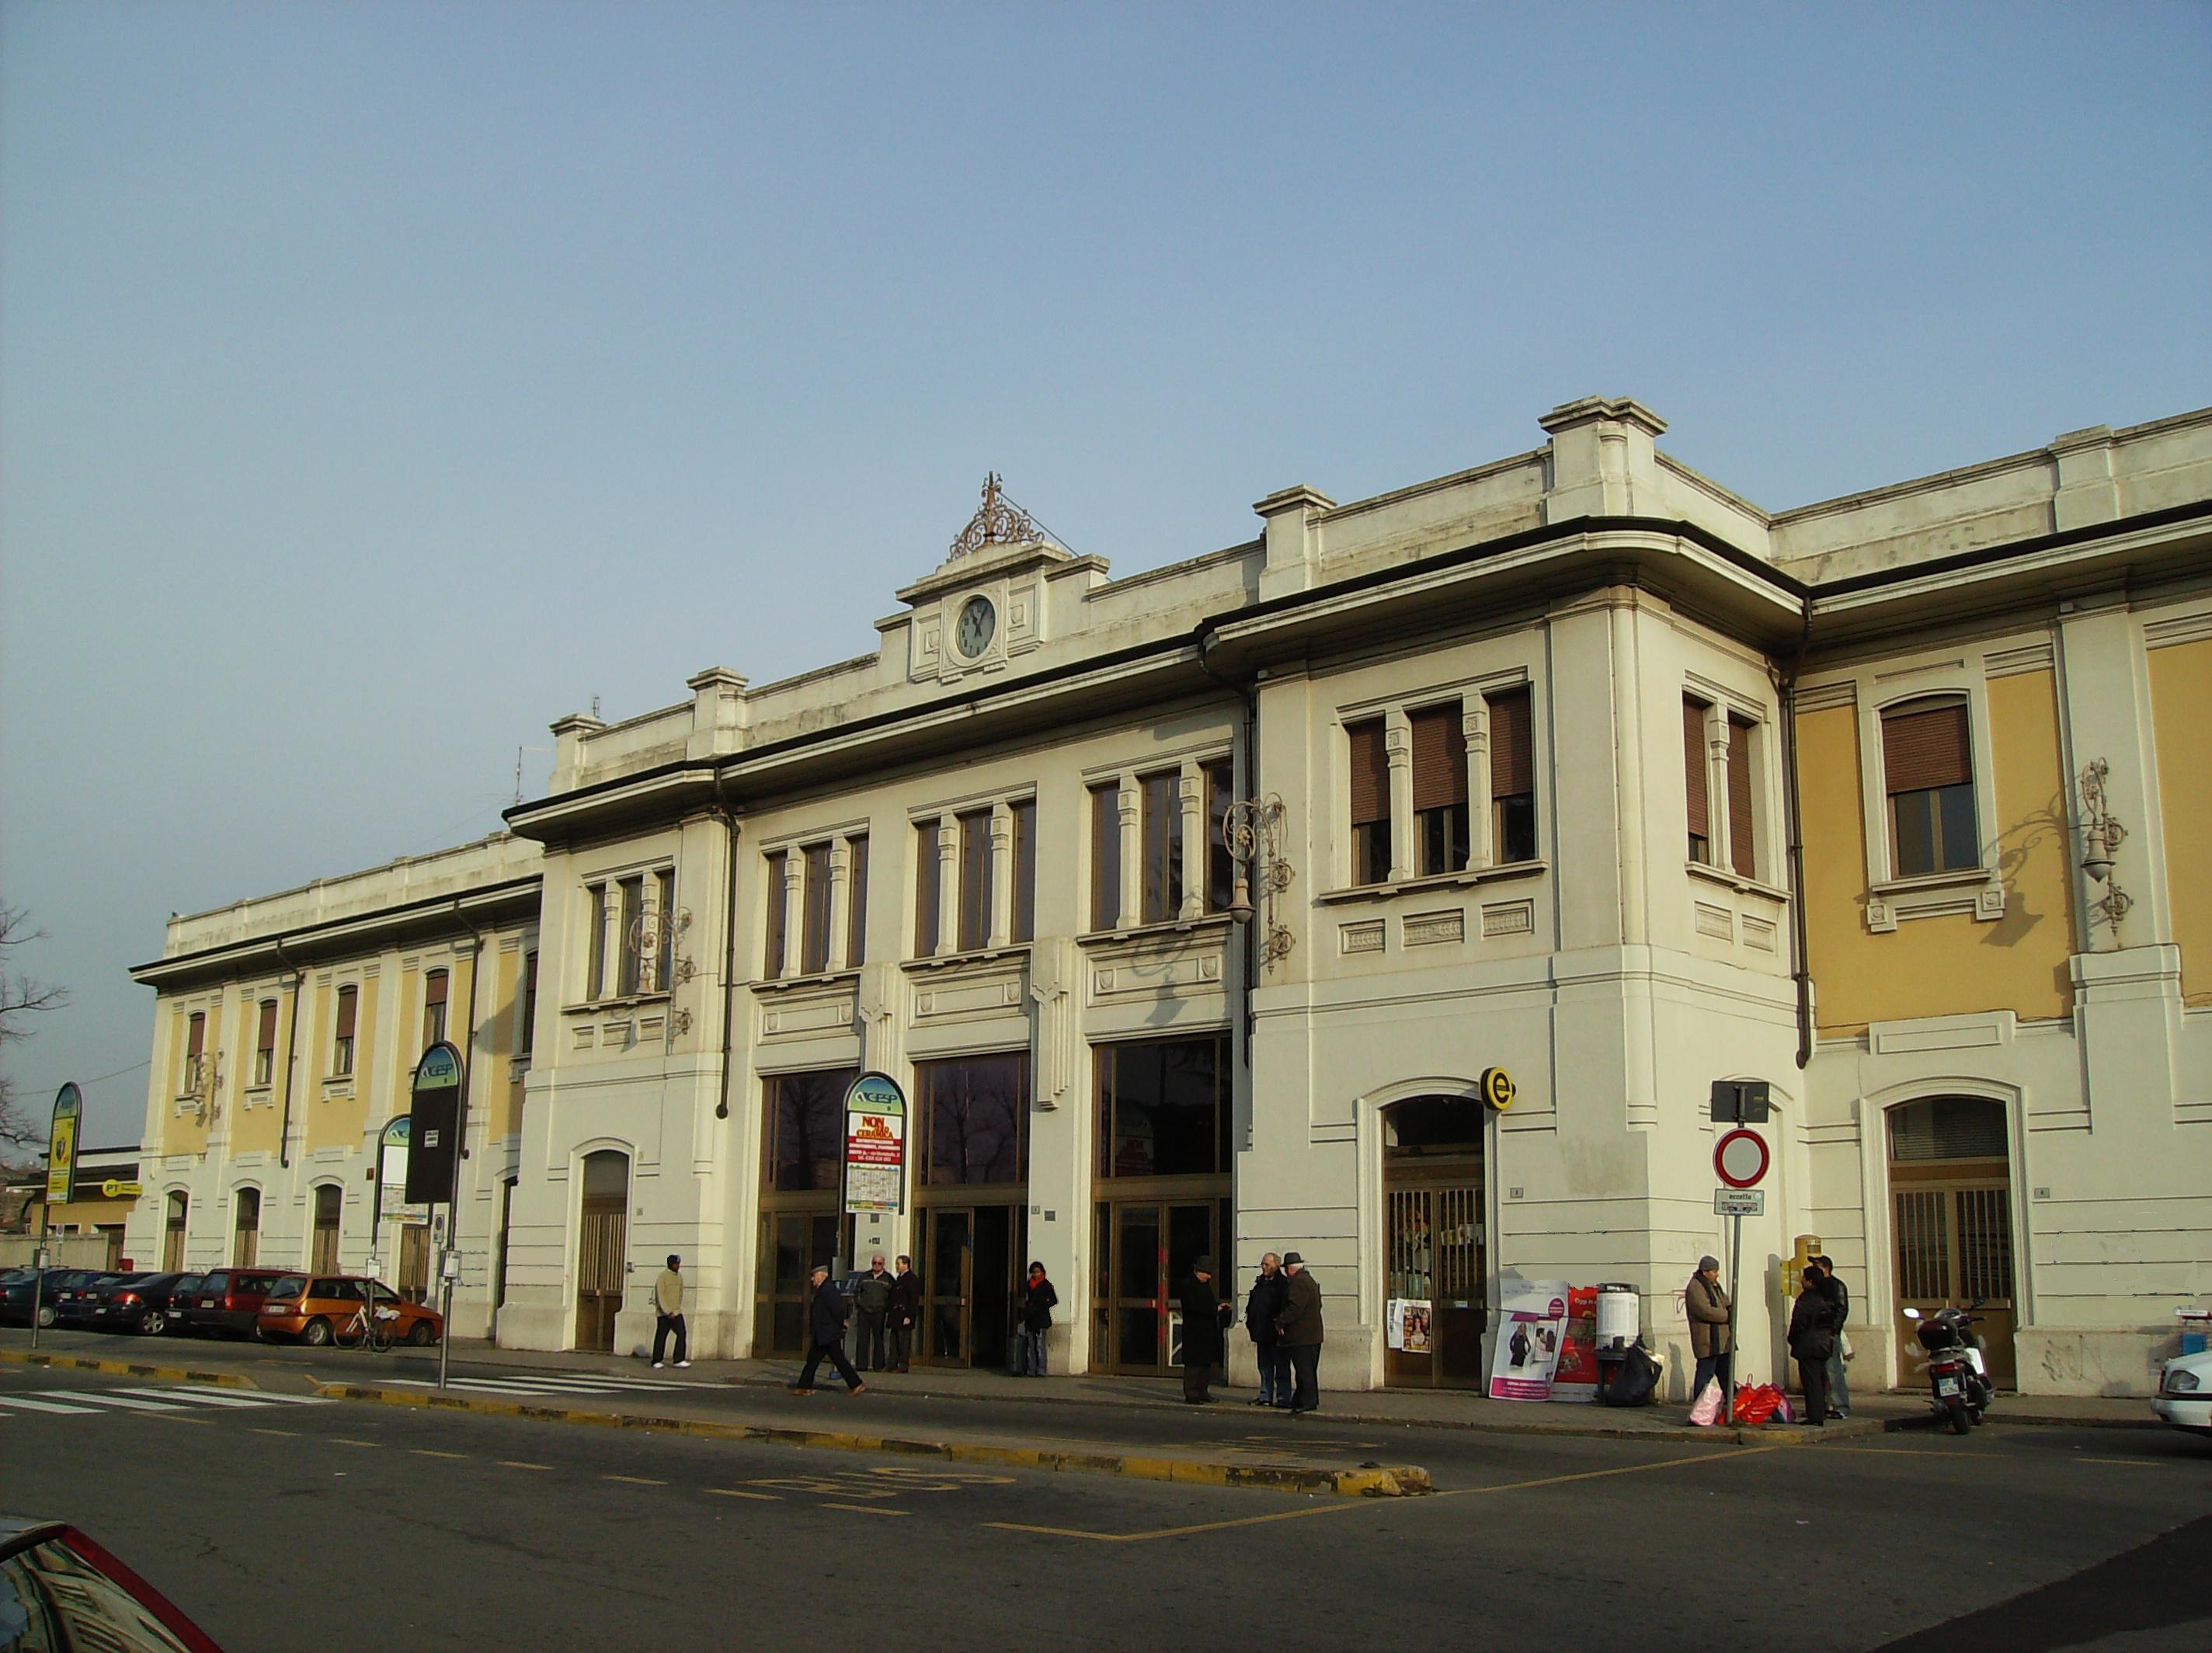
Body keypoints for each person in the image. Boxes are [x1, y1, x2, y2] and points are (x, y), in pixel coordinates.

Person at [790, 1264, 866, 1396]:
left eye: (814, 1276)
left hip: (828, 1331)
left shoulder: (828, 1289)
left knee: (835, 1359)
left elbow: (837, 1309)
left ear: (821, 1275)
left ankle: (856, 1384)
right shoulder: (824, 1289)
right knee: (815, 1359)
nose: (812, 1280)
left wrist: (839, 1324)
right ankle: (804, 1386)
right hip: (824, 1332)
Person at [1273, 1251, 1325, 1414]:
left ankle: (1307, 1401)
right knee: (1308, 1369)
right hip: (1311, 1335)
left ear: (1290, 1268)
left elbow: (1295, 1308)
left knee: (1304, 1370)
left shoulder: (1298, 1283)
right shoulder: (1308, 1280)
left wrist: (1281, 1320)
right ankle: (1301, 1399)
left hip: (1302, 1335)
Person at [1177, 1255, 1233, 1403]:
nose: (1209, 1277)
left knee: (1205, 1364)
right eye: (1207, 1273)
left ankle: (1203, 1391)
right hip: (1194, 1330)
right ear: (1199, 1271)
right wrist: (1215, 1308)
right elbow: (1195, 1306)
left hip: (1206, 1330)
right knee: (1194, 1365)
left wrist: (1218, 1307)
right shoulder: (1188, 1284)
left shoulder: (1203, 1285)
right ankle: (1192, 1393)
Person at [1787, 1260, 1836, 1428]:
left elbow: (1799, 1322)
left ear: (1809, 1281)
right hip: (1823, 1343)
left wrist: (1793, 1339)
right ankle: (1820, 1411)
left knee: (1811, 1381)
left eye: (1804, 1278)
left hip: (1809, 1344)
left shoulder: (1807, 1299)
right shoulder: (1826, 1298)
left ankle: (1815, 1415)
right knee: (1820, 1379)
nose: (1801, 1281)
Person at [1685, 1255, 1733, 1420]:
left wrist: (1731, 1309)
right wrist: (1726, 1316)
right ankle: (1699, 1409)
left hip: (1721, 1340)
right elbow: (1704, 1310)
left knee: (1726, 1374)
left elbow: (1724, 1301)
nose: (1717, 1274)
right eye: (1714, 1271)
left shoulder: (1714, 1286)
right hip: (1707, 1340)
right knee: (1705, 1374)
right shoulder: (1695, 1287)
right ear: (1705, 1272)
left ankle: (1733, 1406)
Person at [1245, 1253, 1289, 1407]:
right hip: (1261, 1331)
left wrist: (1280, 1324)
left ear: (1276, 1266)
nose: (1264, 1267)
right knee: (1264, 1367)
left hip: (1276, 1332)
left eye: (1267, 1265)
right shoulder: (1260, 1283)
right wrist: (1251, 1323)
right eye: (1263, 1264)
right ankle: (1265, 1396)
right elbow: (1254, 1305)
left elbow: (1285, 1307)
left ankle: (1283, 1397)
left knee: (1281, 1367)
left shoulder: (1283, 1284)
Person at [1813, 1254, 1851, 1419]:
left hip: (1829, 1334)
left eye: (1818, 1267)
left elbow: (1842, 1310)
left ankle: (1841, 1406)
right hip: (1817, 1335)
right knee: (1820, 1372)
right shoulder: (1818, 1287)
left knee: (1833, 1371)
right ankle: (1823, 1405)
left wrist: (1832, 1330)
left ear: (1826, 1269)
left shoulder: (1837, 1286)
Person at [852, 1254, 895, 1372]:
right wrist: (859, 1304)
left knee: (879, 1339)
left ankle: (878, 1365)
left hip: (879, 1312)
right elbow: (857, 1292)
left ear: (883, 1264)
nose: (876, 1265)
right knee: (862, 1339)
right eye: (874, 1263)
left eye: (879, 1263)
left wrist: (886, 1308)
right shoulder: (864, 1276)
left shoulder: (888, 1279)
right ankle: (861, 1365)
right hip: (864, 1312)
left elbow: (893, 1296)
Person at [1016, 1261, 1057, 1376]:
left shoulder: (1046, 1285)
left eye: (1038, 1272)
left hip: (1041, 1319)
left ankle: (1041, 1370)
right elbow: (1024, 1299)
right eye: (1034, 1272)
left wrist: (1043, 1305)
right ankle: (1031, 1370)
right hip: (1030, 1319)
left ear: (1042, 1272)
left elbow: (1053, 1300)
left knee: (1040, 1346)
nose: (1036, 1275)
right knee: (1031, 1346)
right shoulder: (1028, 1284)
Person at [651, 1254, 690, 1369]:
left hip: (676, 1312)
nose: (677, 1266)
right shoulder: (662, 1277)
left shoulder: (679, 1277)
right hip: (664, 1314)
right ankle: (656, 1360)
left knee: (682, 1333)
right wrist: (667, 1311)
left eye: (678, 1264)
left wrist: (677, 1308)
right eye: (675, 1264)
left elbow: (680, 1293)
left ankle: (679, 1359)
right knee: (661, 1336)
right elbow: (660, 1295)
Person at [887, 1254, 921, 1374]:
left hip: (904, 1315)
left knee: (903, 1342)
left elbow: (913, 1299)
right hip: (896, 1315)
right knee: (894, 1341)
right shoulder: (899, 1278)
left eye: (898, 1264)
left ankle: (903, 1365)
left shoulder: (911, 1279)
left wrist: (909, 1316)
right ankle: (892, 1363)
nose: (896, 1266)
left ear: (906, 1265)